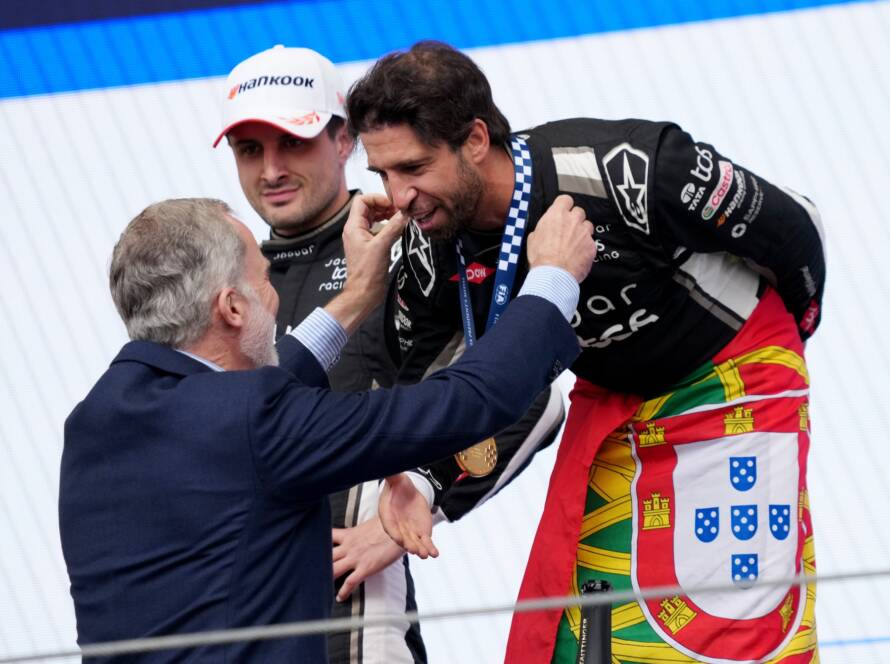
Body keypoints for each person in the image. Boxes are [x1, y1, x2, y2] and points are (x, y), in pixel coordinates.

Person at [346, 41, 826, 664]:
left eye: (413, 168)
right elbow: (424, 389)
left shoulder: (629, 168)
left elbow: (795, 230)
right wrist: (420, 480)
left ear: (473, 139)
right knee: (582, 629)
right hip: (618, 406)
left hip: (734, 384)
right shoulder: (427, 248)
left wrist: (788, 354)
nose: (400, 195)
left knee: (725, 625)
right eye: (383, 175)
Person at [58, 196, 593, 662]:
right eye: (264, 282)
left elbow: (238, 406)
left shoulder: (95, 421)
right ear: (233, 307)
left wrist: (358, 294)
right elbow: (461, 404)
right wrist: (552, 280)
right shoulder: (253, 424)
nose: (275, 299)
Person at [214, 45, 567, 663]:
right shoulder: (225, 279)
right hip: (236, 628)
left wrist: (416, 504)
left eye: (292, 142)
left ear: (344, 139)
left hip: (356, 627)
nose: (270, 169)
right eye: (250, 149)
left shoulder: (408, 246)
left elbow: (530, 392)